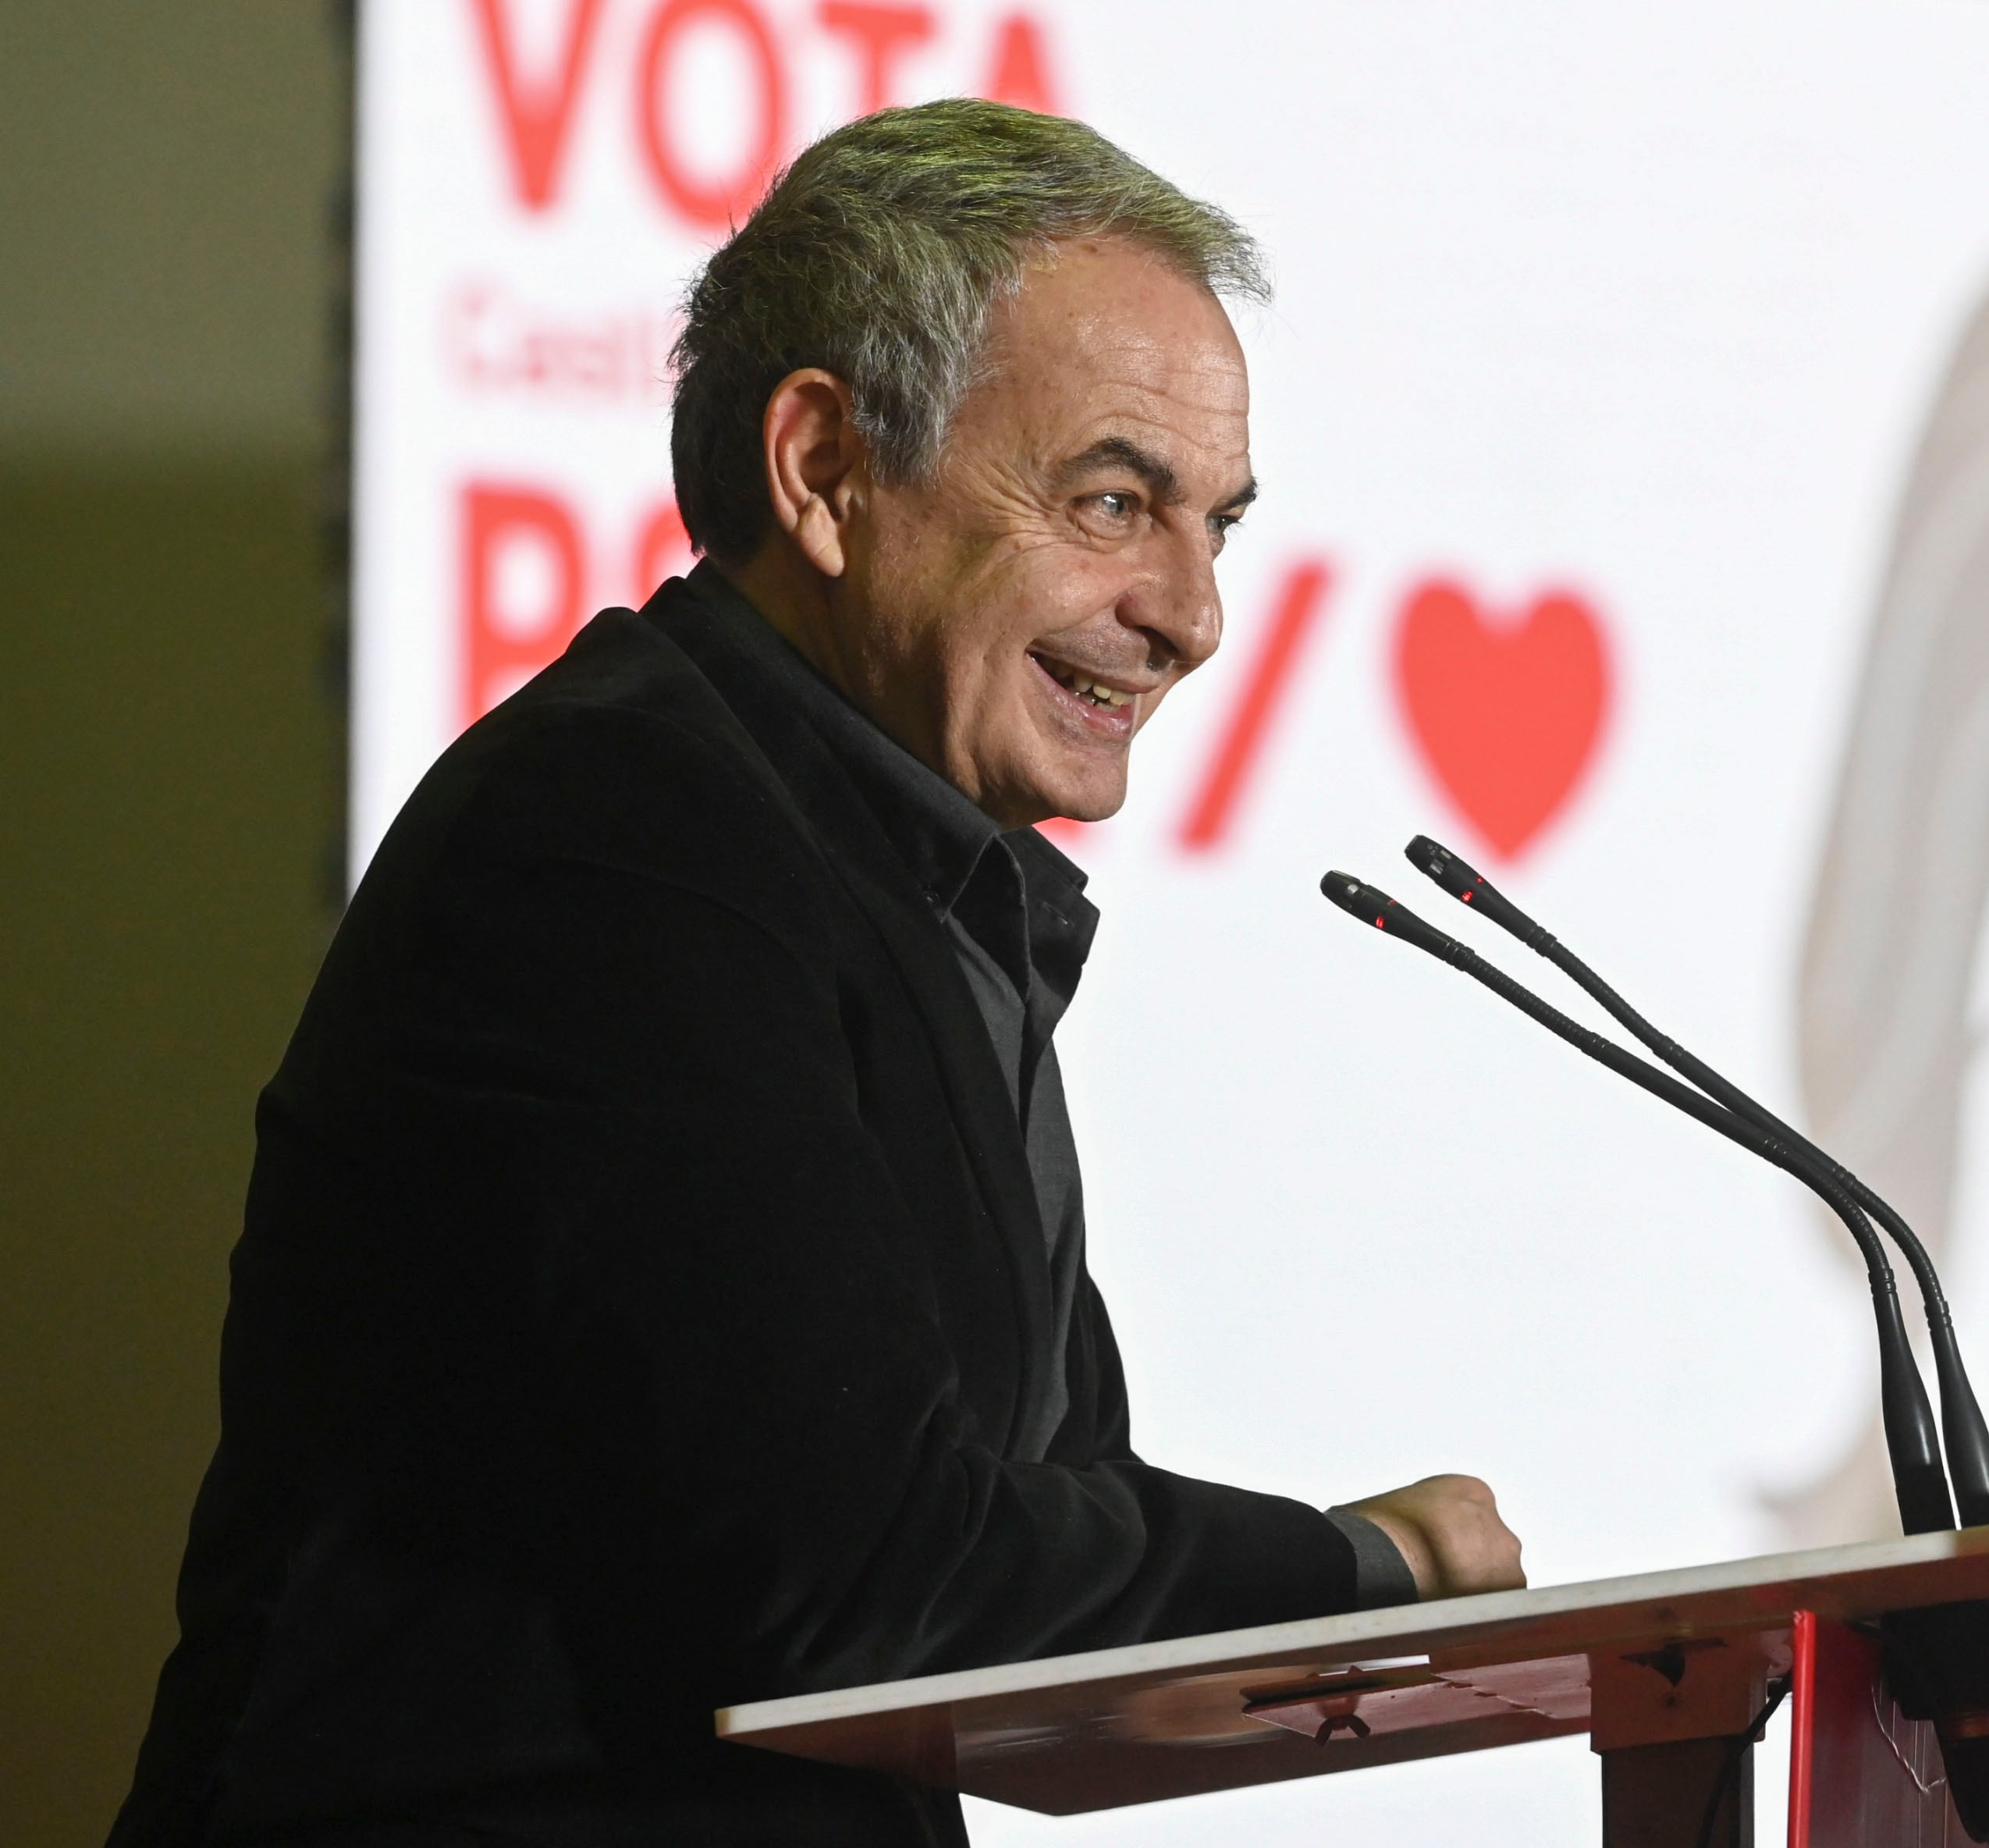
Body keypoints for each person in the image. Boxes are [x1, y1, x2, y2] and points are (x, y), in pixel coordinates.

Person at [108, 100, 1524, 1848]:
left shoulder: (909, 874)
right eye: (1111, 501)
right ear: (825, 469)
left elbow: (1035, 1524)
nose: (1192, 612)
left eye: (1214, 525)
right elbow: (866, 1573)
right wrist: (1362, 1566)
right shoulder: (618, 839)